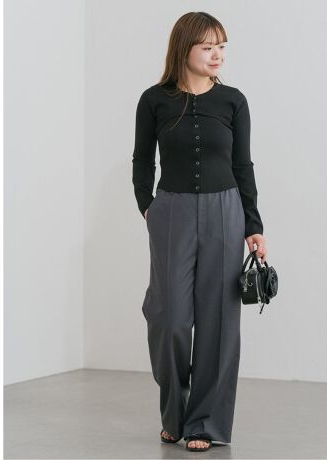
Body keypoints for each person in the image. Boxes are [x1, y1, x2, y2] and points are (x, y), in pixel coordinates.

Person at [132, 11, 267, 452]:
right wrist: (148, 207)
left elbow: (243, 164)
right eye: (207, 47)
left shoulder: (233, 102)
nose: (217, 55)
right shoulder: (153, 100)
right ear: (183, 48)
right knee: (169, 316)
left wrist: (253, 225)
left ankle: (205, 423)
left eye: (221, 46)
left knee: (219, 321)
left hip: (225, 212)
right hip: (170, 211)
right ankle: (174, 412)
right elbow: (142, 160)